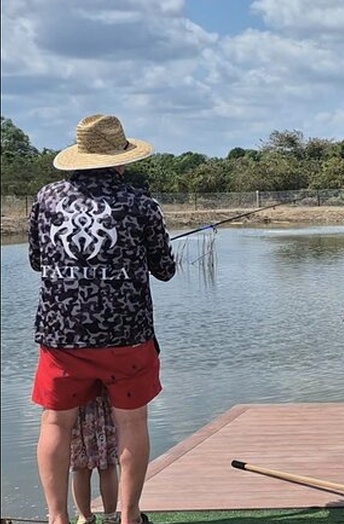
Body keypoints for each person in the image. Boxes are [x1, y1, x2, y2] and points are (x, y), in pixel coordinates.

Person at [29, 114, 176, 524]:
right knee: (132, 422)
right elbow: (165, 269)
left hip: (61, 334)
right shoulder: (141, 203)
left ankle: (57, 518)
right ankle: (129, 516)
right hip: (126, 336)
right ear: (121, 159)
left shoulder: (46, 198)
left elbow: (37, 261)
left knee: (55, 422)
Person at [71, 390, 120, 524]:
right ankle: (110, 517)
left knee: (81, 467)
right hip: (103, 402)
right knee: (107, 465)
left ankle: (85, 518)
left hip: (77, 402)